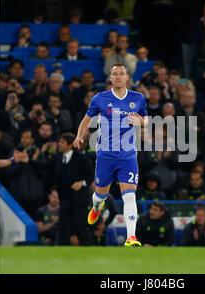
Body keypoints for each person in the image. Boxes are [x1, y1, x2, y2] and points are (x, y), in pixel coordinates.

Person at [73, 63, 148, 247]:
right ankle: (97, 208)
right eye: (115, 74)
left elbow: (145, 118)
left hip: (128, 155)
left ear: (127, 77)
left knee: (129, 195)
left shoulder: (138, 98)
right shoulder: (100, 98)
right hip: (105, 155)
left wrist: (142, 123)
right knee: (100, 196)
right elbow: (86, 120)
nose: (118, 77)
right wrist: (78, 136)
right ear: (111, 77)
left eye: (121, 74)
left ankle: (131, 237)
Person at [53, 133, 94, 245]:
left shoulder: (81, 158)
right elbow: (47, 166)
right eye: (59, 142)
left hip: (79, 199)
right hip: (65, 198)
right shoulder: (58, 157)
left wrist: (82, 183)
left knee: (81, 225)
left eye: (62, 142)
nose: (59, 144)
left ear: (70, 145)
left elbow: (91, 175)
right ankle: (63, 249)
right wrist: (29, 161)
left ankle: (89, 247)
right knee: (63, 226)